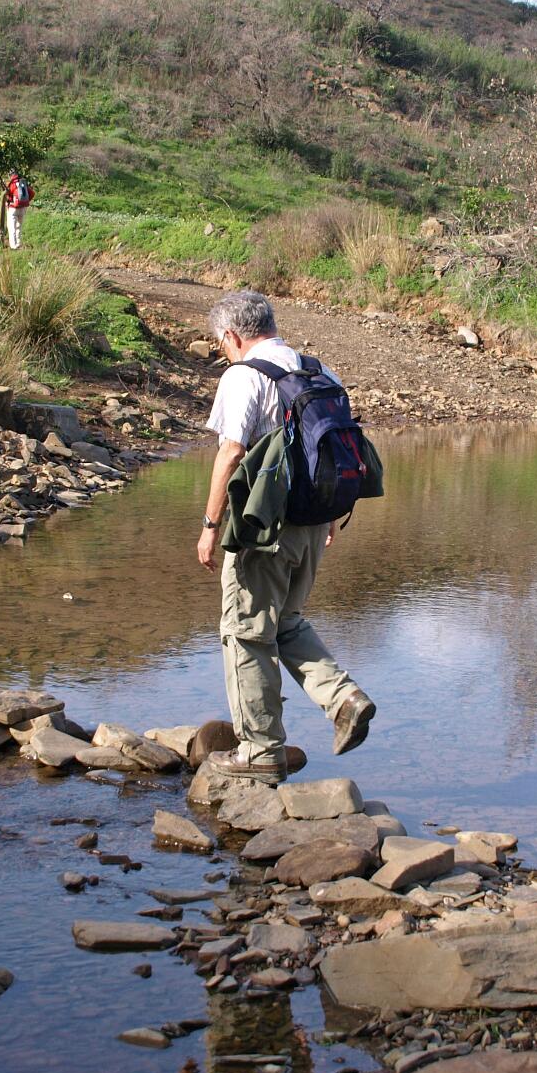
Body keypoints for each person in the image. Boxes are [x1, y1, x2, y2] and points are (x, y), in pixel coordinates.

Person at [196, 290, 376, 784]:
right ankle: (344, 699)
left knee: (246, 633)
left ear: (231, 335)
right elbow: (339, 451)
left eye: (222, 344)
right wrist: (332, 515)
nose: (224, 353)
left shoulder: (243, 376)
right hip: (314, 524)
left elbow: (232, 452)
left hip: (264, 529)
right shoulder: (320, 372)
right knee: (287, 621)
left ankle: (260, 751)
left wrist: (210, 526)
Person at [2, 168, 35, 250]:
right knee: (19, 227)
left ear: (10, 175)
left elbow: (8, 195)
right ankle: (18, 243)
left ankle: (13, 246)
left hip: (13, 208)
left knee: (11, 227)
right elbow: (32, 193)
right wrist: (26, 201)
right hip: (23, 208)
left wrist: (9, 201)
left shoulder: (11, 184)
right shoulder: (22, 182)